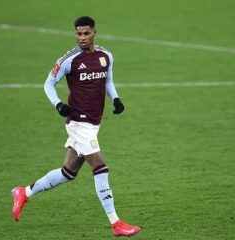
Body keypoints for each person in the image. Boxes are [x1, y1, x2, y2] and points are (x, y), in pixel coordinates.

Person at [11, 16, 141, 237]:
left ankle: (23, 192)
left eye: (86, 33)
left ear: (94, 33)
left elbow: (107, 80)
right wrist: (58, 104)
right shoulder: (69, 60)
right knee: (100, 166)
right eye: (78, 34)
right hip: (78, 122)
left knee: (68, 172)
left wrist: (116, 99)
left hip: (94, 121)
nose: (82, 38)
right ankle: (116, 223)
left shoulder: (105, 56)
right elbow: (49, 83)